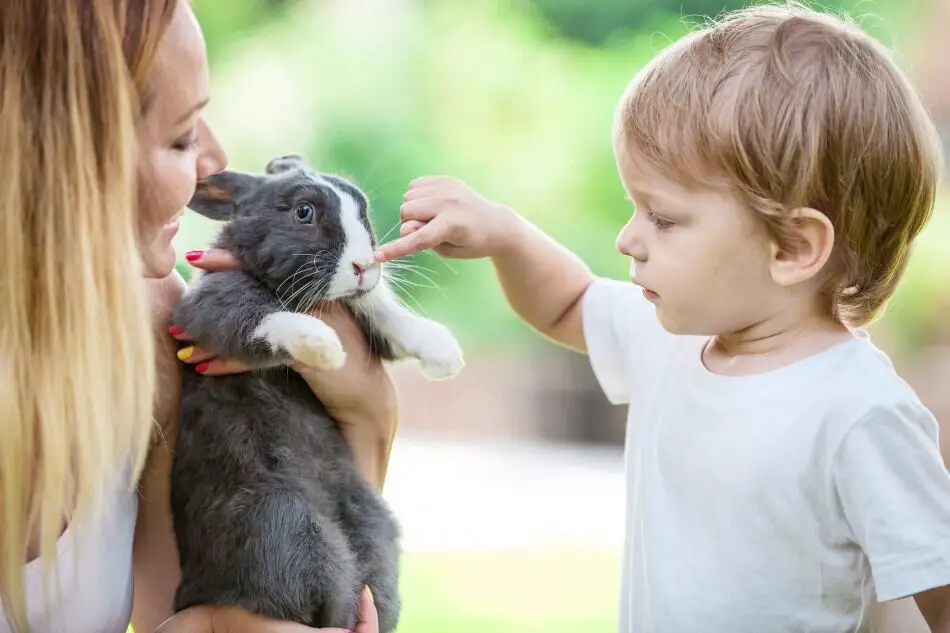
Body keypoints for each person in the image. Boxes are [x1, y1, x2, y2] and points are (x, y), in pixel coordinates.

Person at [376, 4, 950, 632]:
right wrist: (505, 237)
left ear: (791, 248)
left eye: (664, 218)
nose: (628, 239)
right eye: (634, 208)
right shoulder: (669, 339)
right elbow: (568, 302)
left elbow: (937, 587)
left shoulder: (859, 412)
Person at [1, 1, 390, 632]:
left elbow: (202, 611)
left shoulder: (154, 324)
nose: (216, 161)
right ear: (61, 161)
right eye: (182, 137)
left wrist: (368, 411)